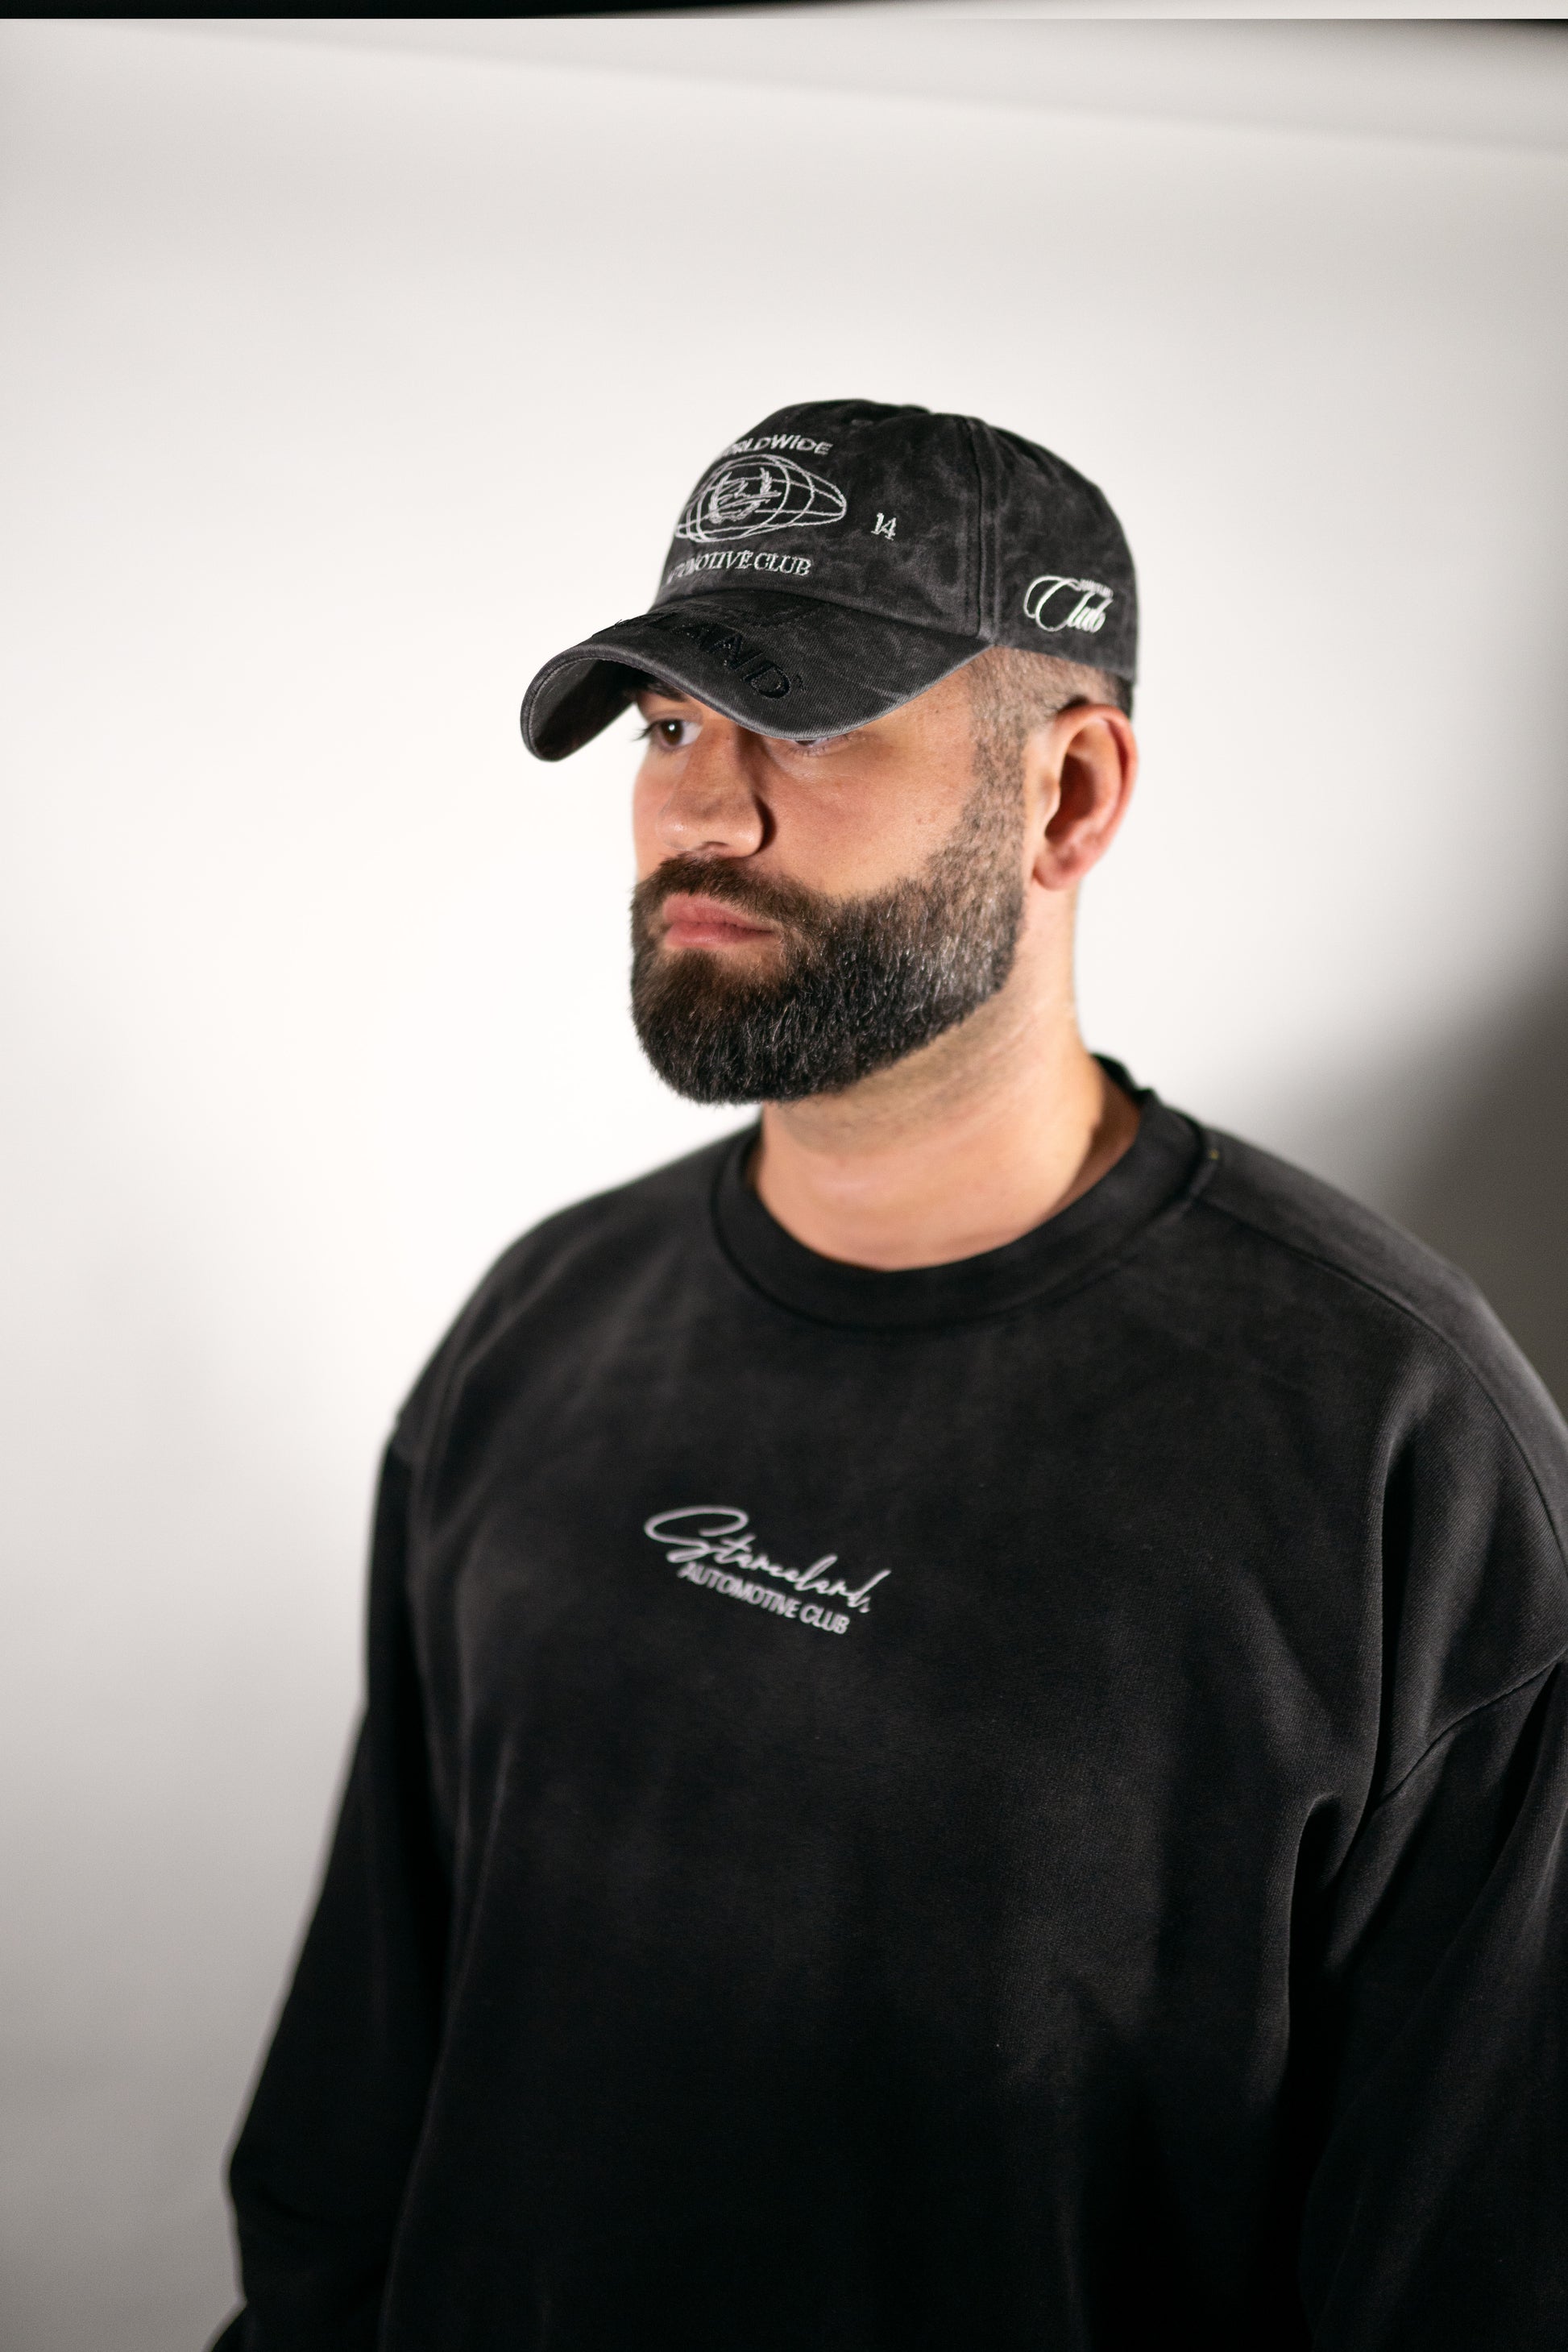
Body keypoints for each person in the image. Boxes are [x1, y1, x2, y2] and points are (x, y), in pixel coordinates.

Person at [214, 401, 1568, 2350]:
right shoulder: (541, 1329)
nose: (699, 809)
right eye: (667, 724)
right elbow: (355, 2109)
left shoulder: (1395, 1453)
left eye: (811, 725)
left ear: (1069, 793)